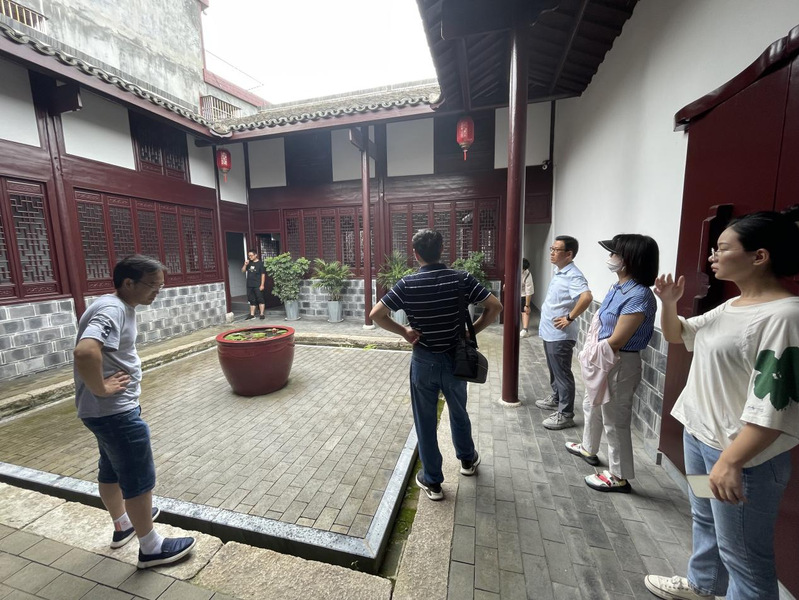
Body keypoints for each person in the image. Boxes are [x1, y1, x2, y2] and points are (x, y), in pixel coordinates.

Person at [645, 210, 799, 600]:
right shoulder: (733, 306)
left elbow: (775, 404)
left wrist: (731, 461)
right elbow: (677, 334)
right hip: (701, 440)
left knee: (744, 557)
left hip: (739, 457)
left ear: (759, 256)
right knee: (706, 521)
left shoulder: (785, 317)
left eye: (723, 248)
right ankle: (703, 585)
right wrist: (669, 303)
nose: (712, 256)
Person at [73, 255, 195, 569]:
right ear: (128, 283)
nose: (157, 292)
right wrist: (101, 388)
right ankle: (151, 548)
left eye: (160, 286)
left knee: (111, 470)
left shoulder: (114, 305)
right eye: (152, 285)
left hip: (100, 413)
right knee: (138, 478)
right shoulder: (112, 309)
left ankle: (123, 524)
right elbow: (85, 351)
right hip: (115, 413)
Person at [370, 229, 503, 501]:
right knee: (459, 411)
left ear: (415, 254)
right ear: (442, 250)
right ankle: (467, 460)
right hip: (457, 359)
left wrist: (404, 331)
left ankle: (433, 482)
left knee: (425, 420)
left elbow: (377, 314)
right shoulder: (462, 279)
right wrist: (471, 332)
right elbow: (495, 306)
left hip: (424, 361)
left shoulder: (407, 284)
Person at [564, 234, 658, 493]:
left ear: (629, 260)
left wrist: (588, 356)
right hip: (604, 358)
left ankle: (619, 475)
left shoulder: (639, 295)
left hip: (619, 361)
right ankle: (588, 447)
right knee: (591, 404)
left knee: (615, 419)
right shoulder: (618, 287)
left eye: (614, 253)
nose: (610, 257)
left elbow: (617, 340)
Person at [535, 236, 593, 430]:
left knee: (562, 373)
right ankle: (557, 398)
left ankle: (566, 414)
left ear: (569, 254)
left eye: (556, 250)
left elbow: (586, 297)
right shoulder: (560, 272)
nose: (551, 253)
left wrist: (569, 317)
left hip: (560, 335)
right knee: (554, 369)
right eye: (551, 249)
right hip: (550, 332)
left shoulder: (573, 275)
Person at [242, 250, 266, 319]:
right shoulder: (249, 263)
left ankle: (262, 314)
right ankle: (252, 314)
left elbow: (263, 275)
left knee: (260, 299)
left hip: (257, 284)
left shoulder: (260, 263)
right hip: (249, 284)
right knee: (251, 299)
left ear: (255, 255)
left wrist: (262, 285)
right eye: (249, 256)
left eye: (251, 255)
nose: (250, 257)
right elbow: (243, 271)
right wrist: (245, 264)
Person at [519, 258, 535, 337]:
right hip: (512, 293)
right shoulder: (513, 269)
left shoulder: (527, 274)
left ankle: (525, 330)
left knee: (525, 311)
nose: (522, 271)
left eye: (524, 269)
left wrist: (527, 305)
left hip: (523, 294)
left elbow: (528, 291)